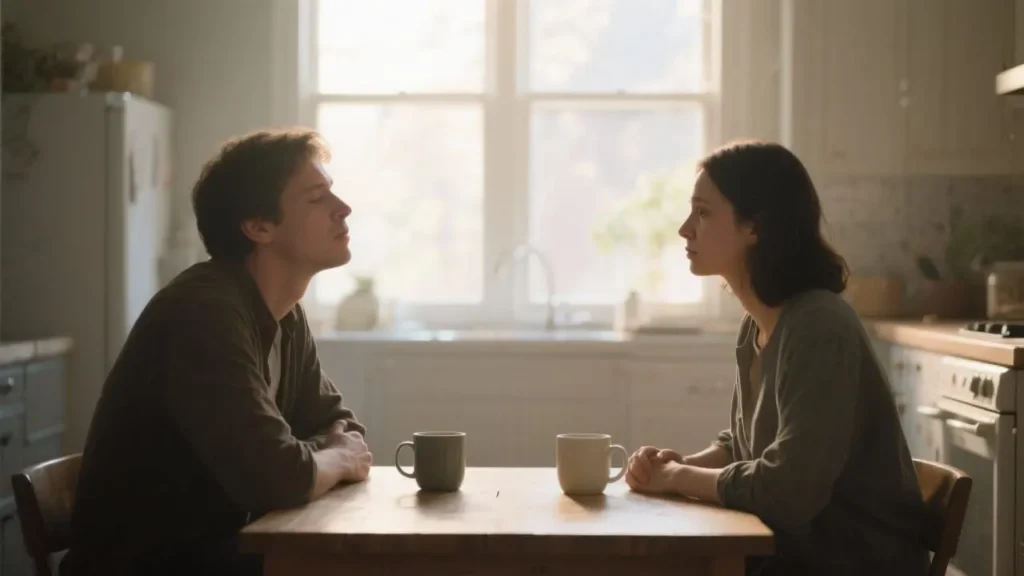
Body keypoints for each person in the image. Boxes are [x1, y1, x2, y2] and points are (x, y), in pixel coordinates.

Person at [61, 128, 372, 575]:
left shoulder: (285, 314)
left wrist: (314, 457)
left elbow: (343, 430)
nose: (343, 208)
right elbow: (278, 477)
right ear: (258, 226)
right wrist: (329, 458)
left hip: (220, 555)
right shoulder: (204, 313)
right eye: (317, 197)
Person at [624, 141, 929, 575]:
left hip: (849, 564)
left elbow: (789, 491)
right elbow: (743, 445)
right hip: (793, 555)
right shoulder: (759, 324)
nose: (685, 229)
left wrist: (675, 479)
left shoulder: (820, 328)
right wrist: (678, 465)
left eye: (703, 212)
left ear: (754, 226)